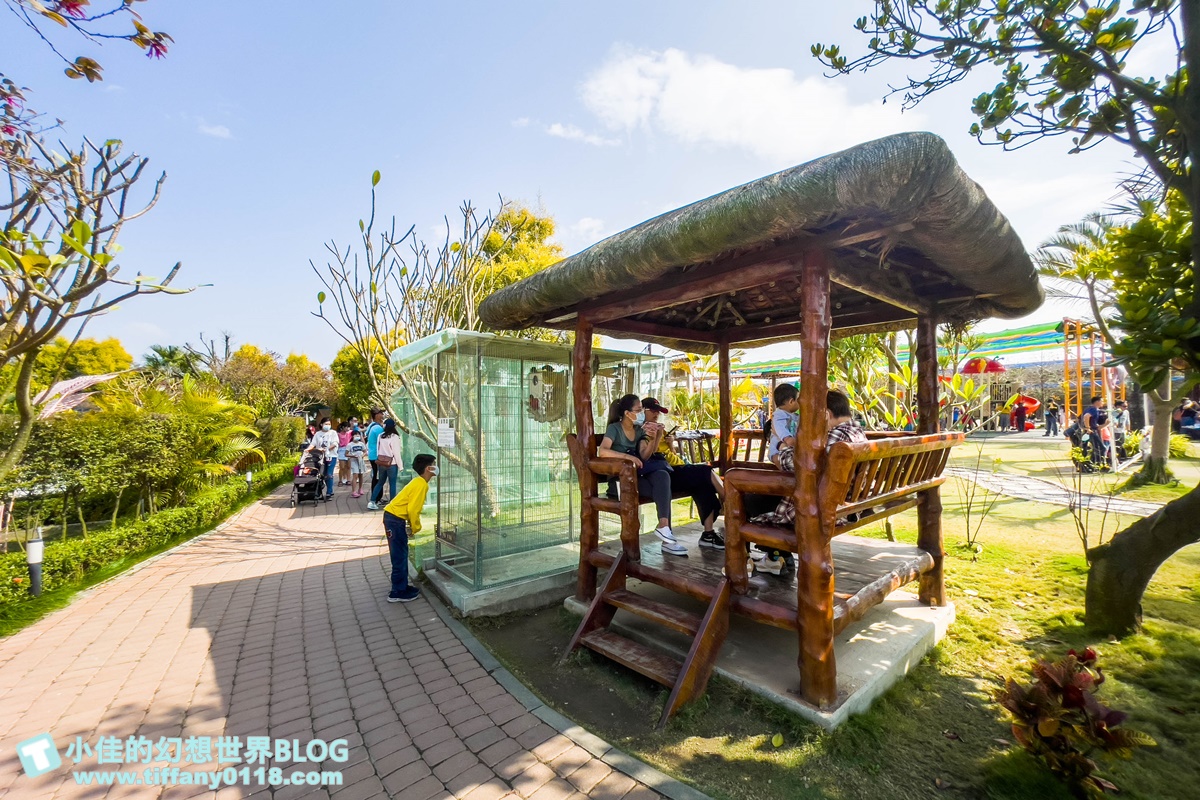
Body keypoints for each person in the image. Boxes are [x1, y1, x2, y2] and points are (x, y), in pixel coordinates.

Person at [751, 389, 867, 575]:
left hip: (820, 507)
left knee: (749, 498)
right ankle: (775, 556)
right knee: (763, 496)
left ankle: (758, 559)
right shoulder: (857, 433)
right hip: (842, 503)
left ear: (827, 414)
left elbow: (798, 464)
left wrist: (780, 446)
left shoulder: (837, 437)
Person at [598, 394, 687, 556]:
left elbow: (645, 456)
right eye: (638, 410)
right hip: (620, 482)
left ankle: (664, 527)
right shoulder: (615, 429)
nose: (641, 414)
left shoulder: (639, 430)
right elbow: (602, 451)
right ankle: (667, 538)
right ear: (627, 413)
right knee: (662, 489)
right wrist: (628, 457)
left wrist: (656, 436)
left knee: (662, 476)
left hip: (637, 477)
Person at [642, 397, 725, 550]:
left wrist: (670, 443)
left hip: (677, 467)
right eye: (653, 411)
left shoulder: (661, 429)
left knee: (703, 484)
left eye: (658, 412)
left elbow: (672, 454)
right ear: (642, 411)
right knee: (706, 471)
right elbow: (649, 455)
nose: (656, 415)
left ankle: (708, 534)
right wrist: (657, 436)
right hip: (665, 474)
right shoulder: (644, 431)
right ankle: (730, 500)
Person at [382, 453, 437, 603]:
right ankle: (397, 592)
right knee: (399, 555)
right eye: (435, 464)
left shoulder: (419, 482)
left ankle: (402, 586)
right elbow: (413, 510)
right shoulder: (421, 484)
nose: (437, 467)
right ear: (428, 468)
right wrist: (415, 527)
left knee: (402, 553)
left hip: (394, 519)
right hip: (394, 520)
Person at [302, 417, 340, 500]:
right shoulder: (317, 434)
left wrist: (327, 449)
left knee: (329, 474)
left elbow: (335, 443)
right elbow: (313, 444)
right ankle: (319, 491)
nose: (327, 426)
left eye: (329, 424)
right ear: (321, 424)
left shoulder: (333, 433)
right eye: (326, 424)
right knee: (321, 474)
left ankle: (329, 492)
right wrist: (308, 449)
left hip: (331, 456)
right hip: (320, 457)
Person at [367, 419, 400, 510]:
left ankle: (372, 501)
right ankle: (392, 503)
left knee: (380, 482)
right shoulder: (395, 437)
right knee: (392, 483)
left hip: (381, 462)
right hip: (392, 463)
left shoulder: (381, 436)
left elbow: (377, 449)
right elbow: (396, 453)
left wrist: (378, 459)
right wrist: (400, 465)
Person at [768, 383, 800, 466]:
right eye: (798, 400)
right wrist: (787, 438)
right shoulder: (779, 414)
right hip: (777, 450)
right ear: (791, 401)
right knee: (782, 466)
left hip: (786, 449)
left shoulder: (794, 416)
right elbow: (779, 427)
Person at [365, 408, 385, 497]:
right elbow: (383, 440)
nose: (383, 415)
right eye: (381, 413)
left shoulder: (372, 426)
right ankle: (376, 498)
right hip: (377, 456)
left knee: (376, 476)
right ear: (376, 415)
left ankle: (377, 497)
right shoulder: (377, 428)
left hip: (373, 455)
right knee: (378, 478)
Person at [1081, 395, 1103, 466]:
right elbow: (1086, 416)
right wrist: (1088, 428)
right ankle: (1097, 463)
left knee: (1087, 447)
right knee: (1100, 448)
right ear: (1097, 402)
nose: (1103, 402)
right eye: (1101, 401)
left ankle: (1089, 462)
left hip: (1088, 430)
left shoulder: (1088, 408)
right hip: (1091, 431)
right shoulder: (1093, 409)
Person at [346, 429, 367, 498]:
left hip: (360, 461)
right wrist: (353, 456)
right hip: (354, 461)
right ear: (352, 436)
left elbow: (365, 451)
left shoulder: (361, 444)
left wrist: (362, 456)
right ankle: (353, 491)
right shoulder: (350, 445)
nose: (357, 436)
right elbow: (346, 454)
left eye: (358, 435)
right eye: (356, 435)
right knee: (355, 475)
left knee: (361, 475)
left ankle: (360, 489)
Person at [337, 422, 353, 486]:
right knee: (342, 467)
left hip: (348, 449)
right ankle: (340, 480)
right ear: (343, 427)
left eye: (348, 427)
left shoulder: (349, 433)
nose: (348, 428)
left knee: (348, 466)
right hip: (341, 450)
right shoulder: (338, 434)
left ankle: (348, 479)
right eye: (346, 427)